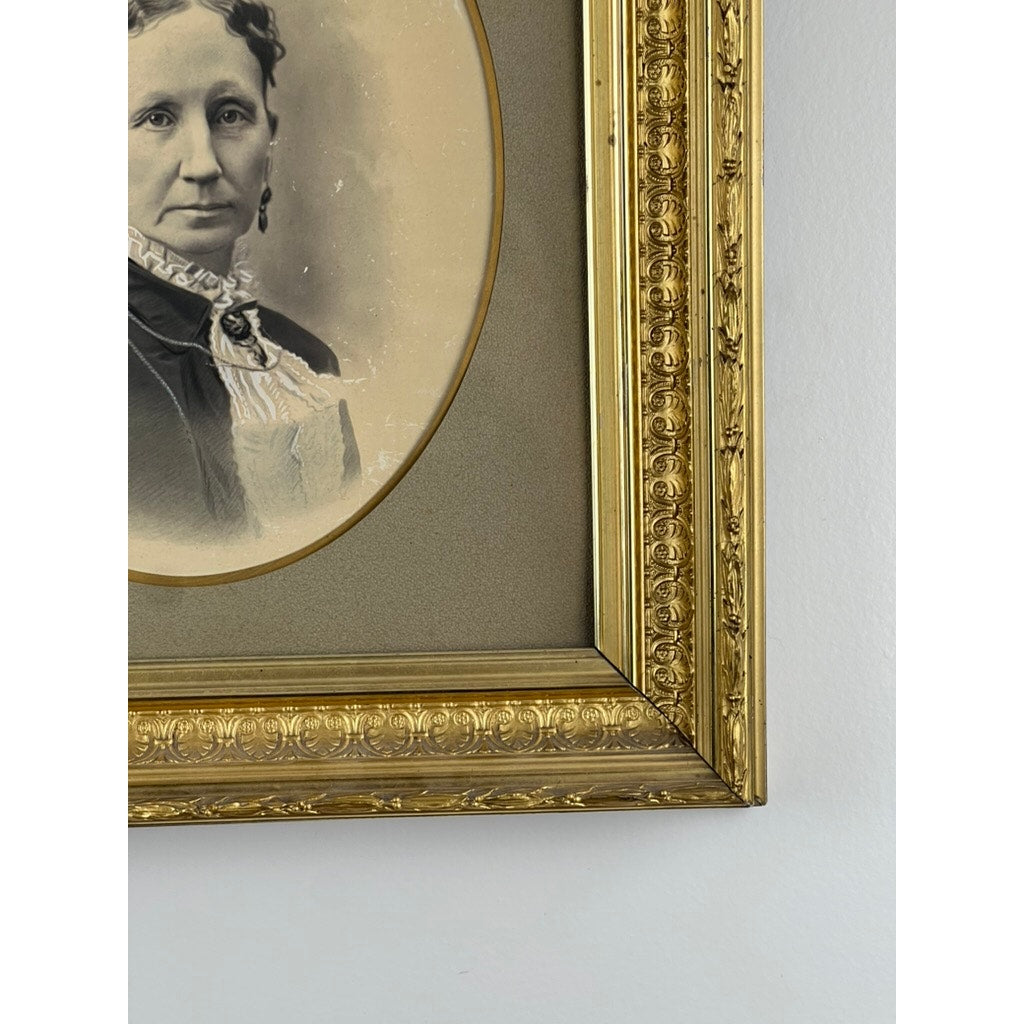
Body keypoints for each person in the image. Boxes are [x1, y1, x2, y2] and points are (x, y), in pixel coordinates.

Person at [128, 0, 360, 544]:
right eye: (157, 117)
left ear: (268, 143)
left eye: (230, 114)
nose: (204, 164)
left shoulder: (305, 360)